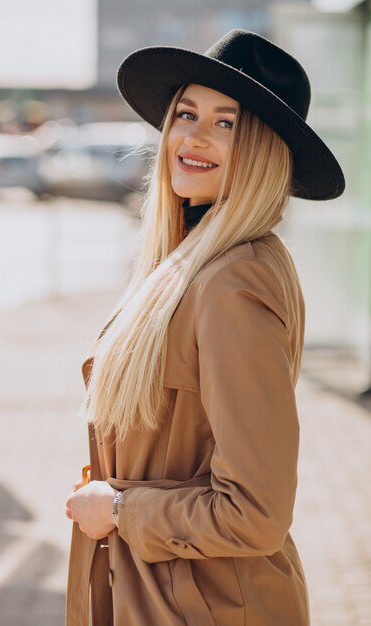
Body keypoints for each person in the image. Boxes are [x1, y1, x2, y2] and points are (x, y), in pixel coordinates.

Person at [65, 28, 345, 626]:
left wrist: (118, 510)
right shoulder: (192, 264)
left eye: (227, 123)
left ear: (266, 151)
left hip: (202, 605)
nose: (193, 135)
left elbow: (256, 512)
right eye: (187, 113)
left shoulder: (231, 284)